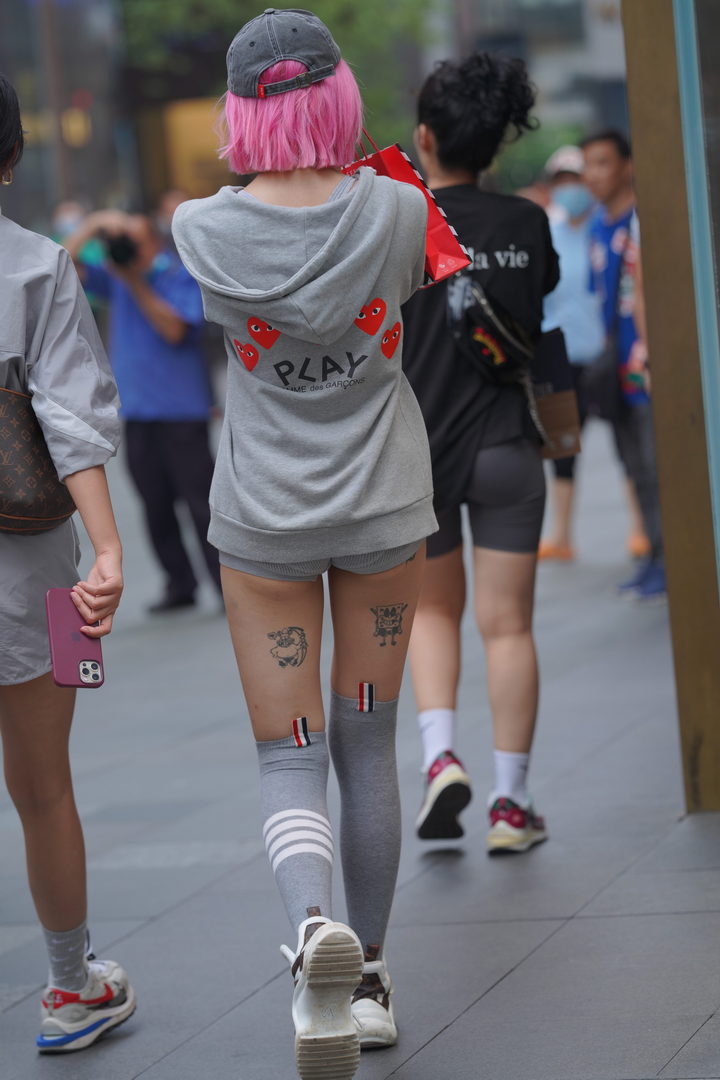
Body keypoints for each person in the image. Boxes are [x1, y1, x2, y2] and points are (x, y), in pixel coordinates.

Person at [171, 10, 435, 1078]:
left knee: (291, 752)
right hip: (383, 511)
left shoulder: (200, 229)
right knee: (368, 741)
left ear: (240, 110)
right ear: (337, 96)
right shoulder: (401, 208)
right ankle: (366, 977)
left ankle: (311, 934)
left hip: (264, 520)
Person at [0, 74, 135, 1052]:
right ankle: (70, 988)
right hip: (34, 568)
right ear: (12, 157)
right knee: (45, 786)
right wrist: (109, 547)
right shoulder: (34, 267)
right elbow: (71, 417)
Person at [401, 53, 559, 853]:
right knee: (509, 627)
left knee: (433, 612)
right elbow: (538, 315)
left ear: (425, 137)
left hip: (420, 455)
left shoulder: (400, 221)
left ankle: (440, 760)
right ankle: (510, 805)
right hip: (506, 445)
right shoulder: (527, 223)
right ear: (496, 143)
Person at [65, 210, 222, 613]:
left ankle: (226, 586)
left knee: (200, 504)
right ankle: (179, 585)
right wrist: (94, 225)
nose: (125, 249)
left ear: (153, 242)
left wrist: (134, 281)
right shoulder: (116, 276)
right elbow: (63, 266)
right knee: (155, 504)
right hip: (136, 412)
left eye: (132, 241)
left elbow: (175, 330)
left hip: (181, 411)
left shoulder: (180, 275)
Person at [582, 130, 665, 600]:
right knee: (635, 469)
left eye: (602, 163)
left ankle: (670, 561)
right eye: (588, 165)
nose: (592, 175)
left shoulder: (641, 220)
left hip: (646, 367)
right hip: (616, 371)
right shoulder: (598, 226)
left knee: (657, 468)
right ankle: (654, 555)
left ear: (627, 166)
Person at [538, 145, 606, 561]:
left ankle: (641, 529)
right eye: (561, 182)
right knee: (562, 449)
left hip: (605, 354)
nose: (569, 189)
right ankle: (561, 536)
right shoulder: (547, 230)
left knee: (628, 444)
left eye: (574, 180)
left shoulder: (605, 228)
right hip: (561, 357)